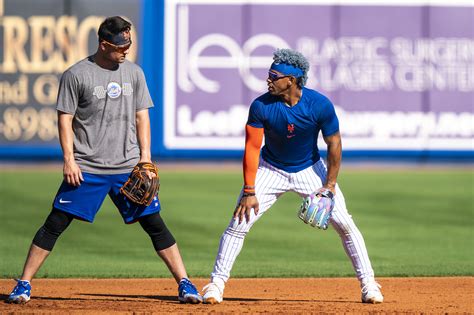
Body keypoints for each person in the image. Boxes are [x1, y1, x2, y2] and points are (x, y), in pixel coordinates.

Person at [7, 16, 202, 304]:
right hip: (88, 167)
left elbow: (141, 116)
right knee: (55, 222)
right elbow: (65, 118)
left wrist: (145, 160)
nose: (126, 50)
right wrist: (69, 160)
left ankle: (185, 283)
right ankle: (23, 284)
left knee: (155, 224)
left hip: (127, 167)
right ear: (104, 44)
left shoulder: (134, 73)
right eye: (121, 45)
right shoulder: (77, 75)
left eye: (129, 44)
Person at [201, 48, 384, 304]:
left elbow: (334, 144)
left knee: (345, 224)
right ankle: (216, 284)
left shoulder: (319, 105)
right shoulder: (261, 106)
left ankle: (369, 285)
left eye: (274, 76)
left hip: (309, 168)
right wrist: (249, 189)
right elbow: (252, 147)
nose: (268, 80)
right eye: (269, 74)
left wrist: (329, 186)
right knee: (239, 223)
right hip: (271, 168)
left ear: (292, 80)